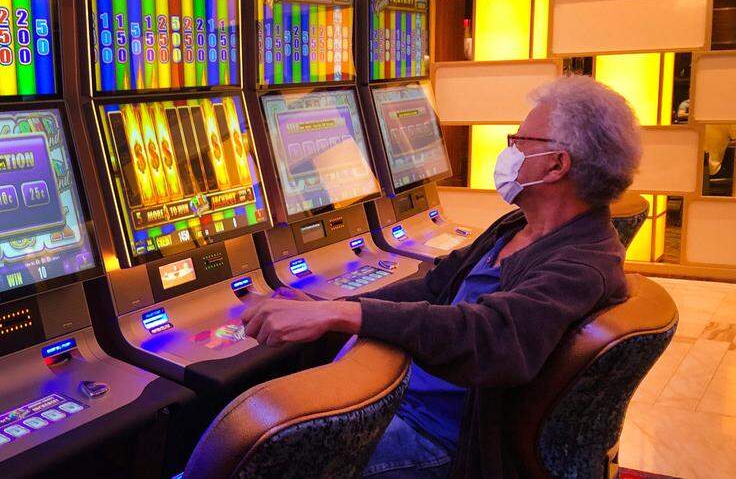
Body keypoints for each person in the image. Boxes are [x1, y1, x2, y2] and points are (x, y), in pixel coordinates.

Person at [239, 76, 642, 479]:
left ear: (556, 164)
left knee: (272, 467)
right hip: (402, 399)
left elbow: (494, 338)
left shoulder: (584, 263)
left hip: (444, 438)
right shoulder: (519, 226)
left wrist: (345, 318)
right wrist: (334, 307)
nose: (510, 152)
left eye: (520, 141)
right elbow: (435, 286)